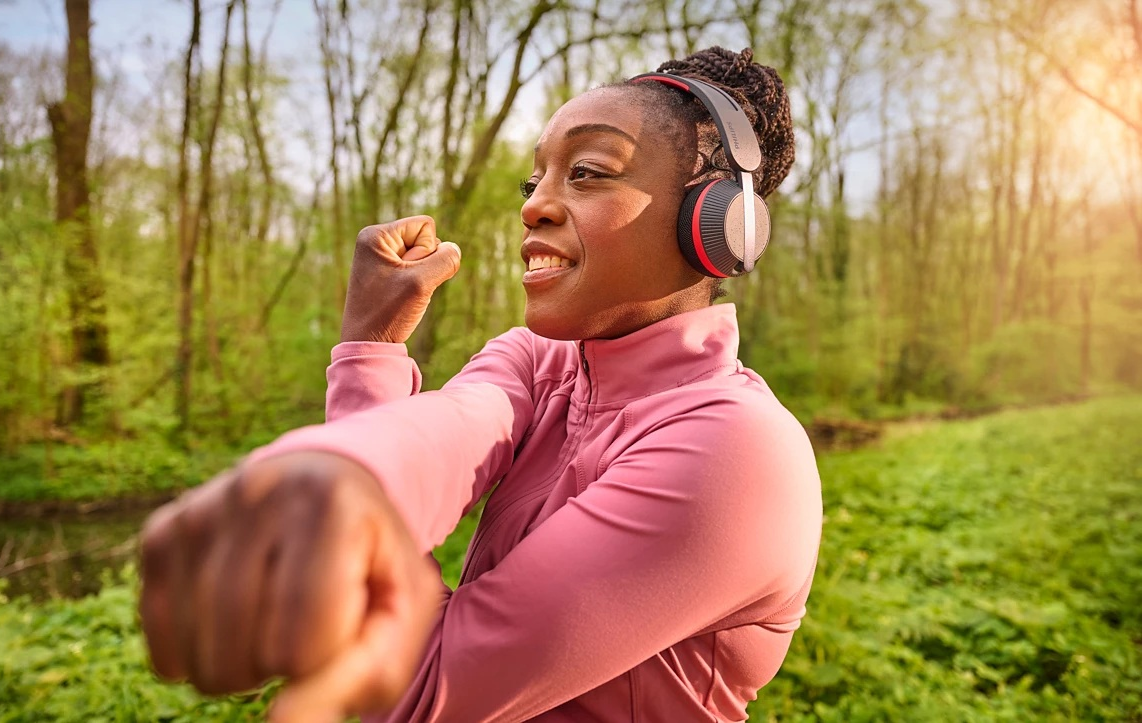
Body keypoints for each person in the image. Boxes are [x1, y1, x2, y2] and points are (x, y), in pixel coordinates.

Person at [139, 46, 822, 723]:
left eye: (587, 172)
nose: (536, 208)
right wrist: (349, 441)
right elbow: (451, 429)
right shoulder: (537, 359)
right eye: (534, 184)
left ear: (715, 223)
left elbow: (416, 690)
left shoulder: (739, 451)